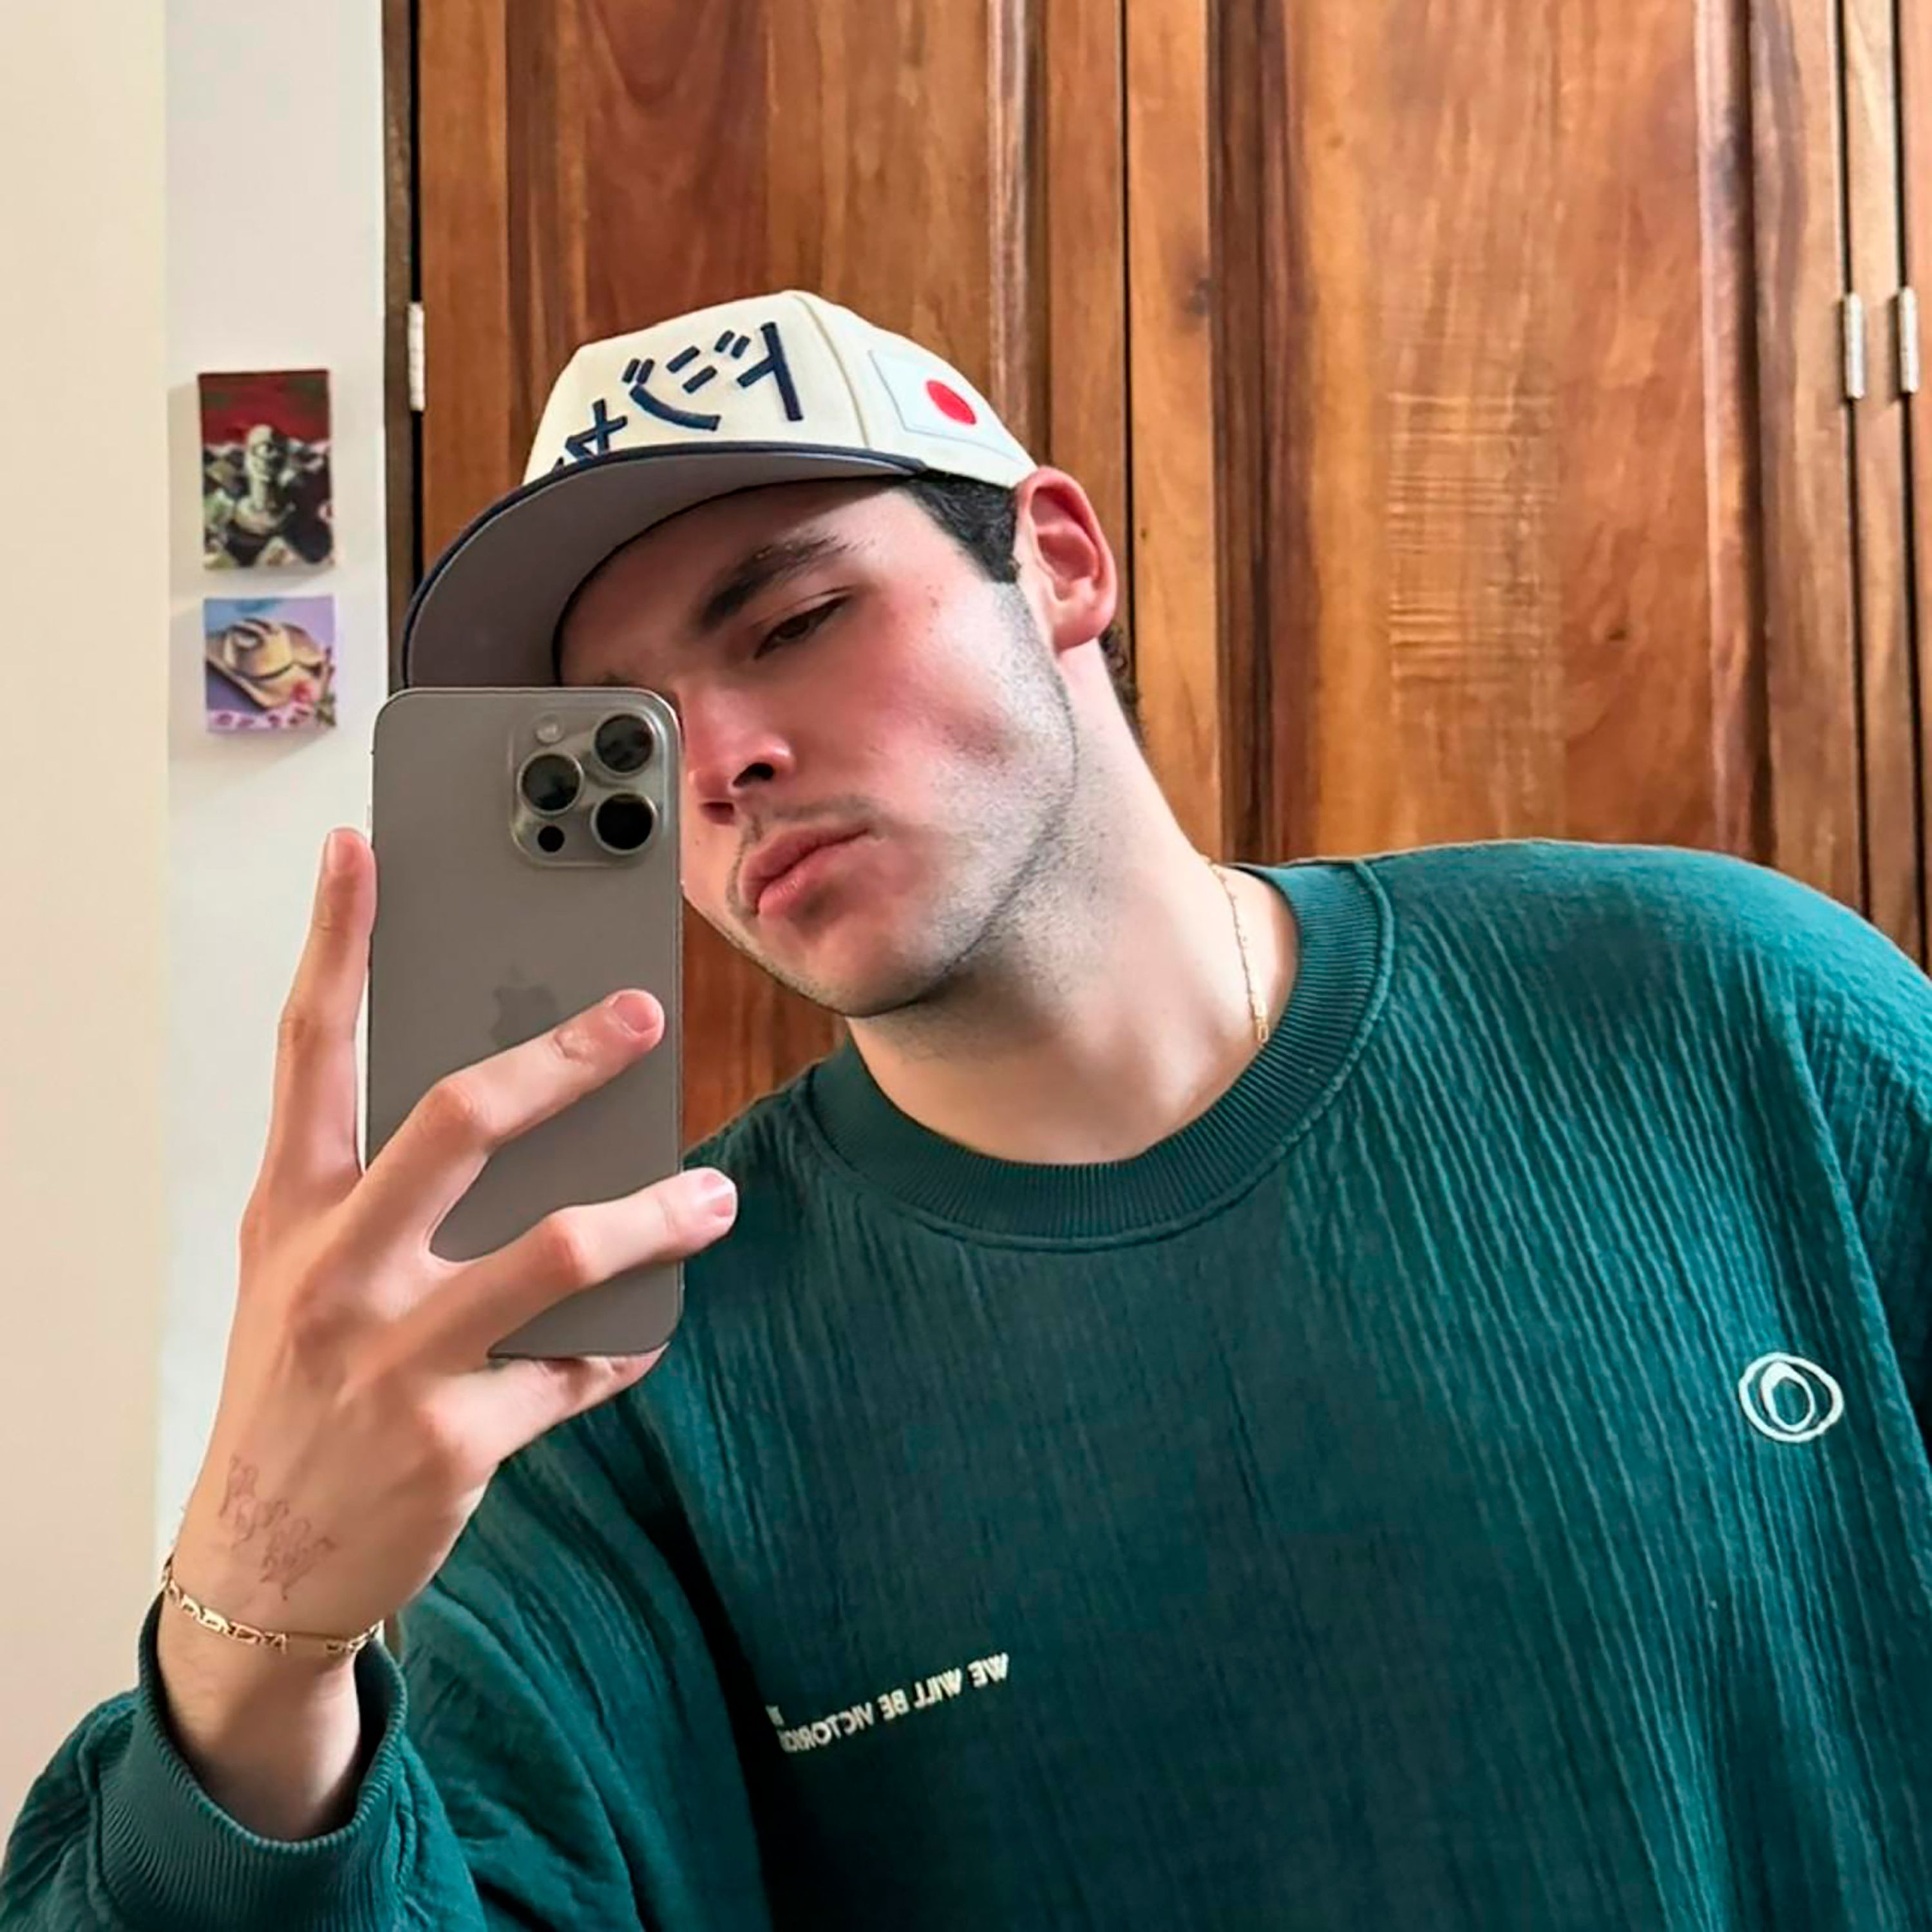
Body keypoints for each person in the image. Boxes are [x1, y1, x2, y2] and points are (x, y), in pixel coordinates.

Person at [6, 289, 1932, 1930]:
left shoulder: (1725, 1009)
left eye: (791, 622)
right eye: (627, 734)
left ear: (1060, 562)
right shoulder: (620, 1386)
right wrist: (253, 1635)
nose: (722, 763)